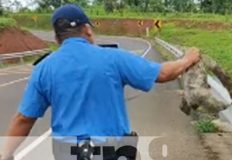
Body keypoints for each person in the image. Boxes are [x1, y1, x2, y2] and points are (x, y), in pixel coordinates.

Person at [0, 4, 200, 160]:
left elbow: (24, 119)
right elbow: (163, 74)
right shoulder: (114, 58)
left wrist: (6, 155)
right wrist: (187, 60)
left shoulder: (44, 69)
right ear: (87, 30)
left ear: (56, 38)